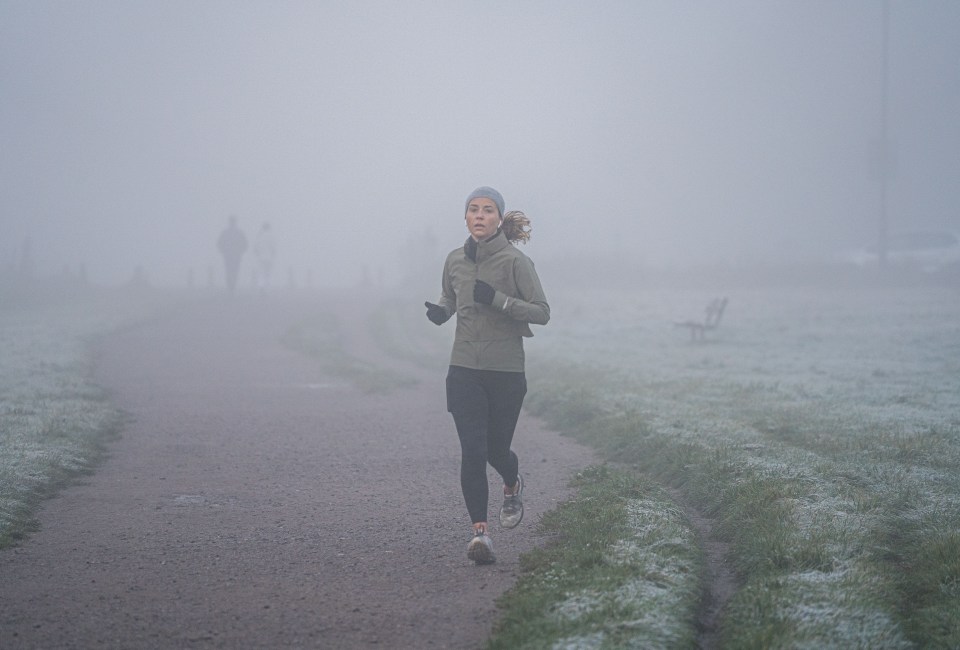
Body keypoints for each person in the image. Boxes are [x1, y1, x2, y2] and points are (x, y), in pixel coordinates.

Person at [424, 186, 550, 565]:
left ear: (499, 219)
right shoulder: (453, 261)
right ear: (465, 217)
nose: (479, 215)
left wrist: (497, 299)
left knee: (496, 450)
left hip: (506, 371)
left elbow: (542, 312)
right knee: (473, 451)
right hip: (463, 369)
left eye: (487, 210)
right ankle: (480, 534)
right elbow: (451, 296)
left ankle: (512, 484)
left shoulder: (516, 262)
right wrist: (442, 312)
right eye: (473, 210)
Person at [217, 215, 248, 294]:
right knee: (235, 269)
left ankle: (230, 284)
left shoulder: (225, 233)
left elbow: (219, 243)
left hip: (228, 255)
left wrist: (223, 251)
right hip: (235, 255)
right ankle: (232, 284)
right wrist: (241, 251)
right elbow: (245, 244)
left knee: (229, 269)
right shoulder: (239, 233)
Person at [253, 222, 277, 292]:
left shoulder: (259, 235)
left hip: (261, 257)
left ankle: (261, 285)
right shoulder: (271, 236)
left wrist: (257, 254)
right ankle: (267, 286)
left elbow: (255, 248)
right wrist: (273, 254)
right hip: (269, 257)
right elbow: (273, 247)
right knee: (268, 272)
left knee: (261, 271)